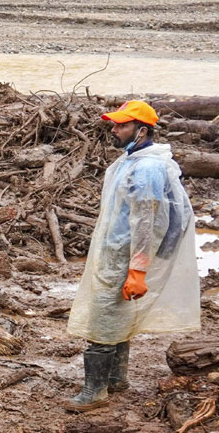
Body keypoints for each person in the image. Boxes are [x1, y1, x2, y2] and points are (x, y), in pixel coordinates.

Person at [66, 100, 200, 411]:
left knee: (102, 319)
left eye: (121, 125)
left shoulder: (147, 167)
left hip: (124, 256)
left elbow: (147, 220)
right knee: (117, 315)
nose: (113, 129)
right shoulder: (132, 161)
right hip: (116, 252)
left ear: (141, 131)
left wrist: (138, 269)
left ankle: (94, 391)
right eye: (114, 124)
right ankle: (116, 380)